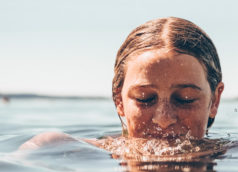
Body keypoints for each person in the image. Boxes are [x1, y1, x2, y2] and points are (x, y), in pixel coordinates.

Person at [19, 17, 224, 157]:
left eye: (185, 98)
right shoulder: (60, 149)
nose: (163, 119)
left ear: (214, 100)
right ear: (119, 100)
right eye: (144, 98)